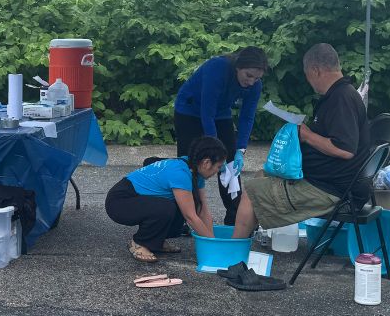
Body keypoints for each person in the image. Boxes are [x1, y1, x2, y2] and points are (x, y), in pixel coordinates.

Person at [232, 43, 371, 238]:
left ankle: (234, 250)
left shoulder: (341, 98)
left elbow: (345, 149)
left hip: (330, 190)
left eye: (307, 75)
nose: (309, 81)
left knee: (251, 192)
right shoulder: (340, 94)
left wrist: (307, 135)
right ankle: (247, 239)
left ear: (315, 70)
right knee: (261, 175)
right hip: (329, 181)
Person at [174, 46, 268, 227]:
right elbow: (207, 112)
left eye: (257, 78)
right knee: (189, 163)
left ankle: (235, 218)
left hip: (221, 112)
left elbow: (247, 117)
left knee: (230, 161)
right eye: (248, 75)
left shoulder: (255, 85)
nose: (251, 82)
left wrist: (240, 149)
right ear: (238, 67)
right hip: (190, 110)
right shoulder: (217, 68)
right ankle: (183, 219)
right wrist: (216, 151)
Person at [104, 136, 227, 262]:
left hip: (139, 200)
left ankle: (156, 241)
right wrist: (215, 246)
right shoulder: (180, 172)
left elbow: (202, 210)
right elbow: (190, 217)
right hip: (120, 202)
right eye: (218, 167)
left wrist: (212, 239)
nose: (218, 171)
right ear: (206, 163)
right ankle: (139, 242)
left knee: (187, 204)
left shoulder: (195, 171)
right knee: (167, 208)